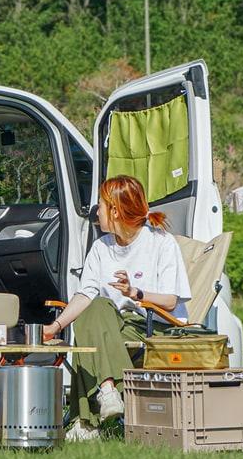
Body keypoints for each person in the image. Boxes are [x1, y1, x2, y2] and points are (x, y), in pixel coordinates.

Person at [43, 174, 192, 442]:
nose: (95, 212)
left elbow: (171, 301)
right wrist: (55, 327)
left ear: (115, 210)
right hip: (114, 323)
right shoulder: (101, 248)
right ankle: (108, 390)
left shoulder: (160, 243)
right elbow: (84, 294)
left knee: (89, 333)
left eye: (99, 205)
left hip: (154, 324)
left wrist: (136, 293)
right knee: (95, 310)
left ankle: (85, 422)